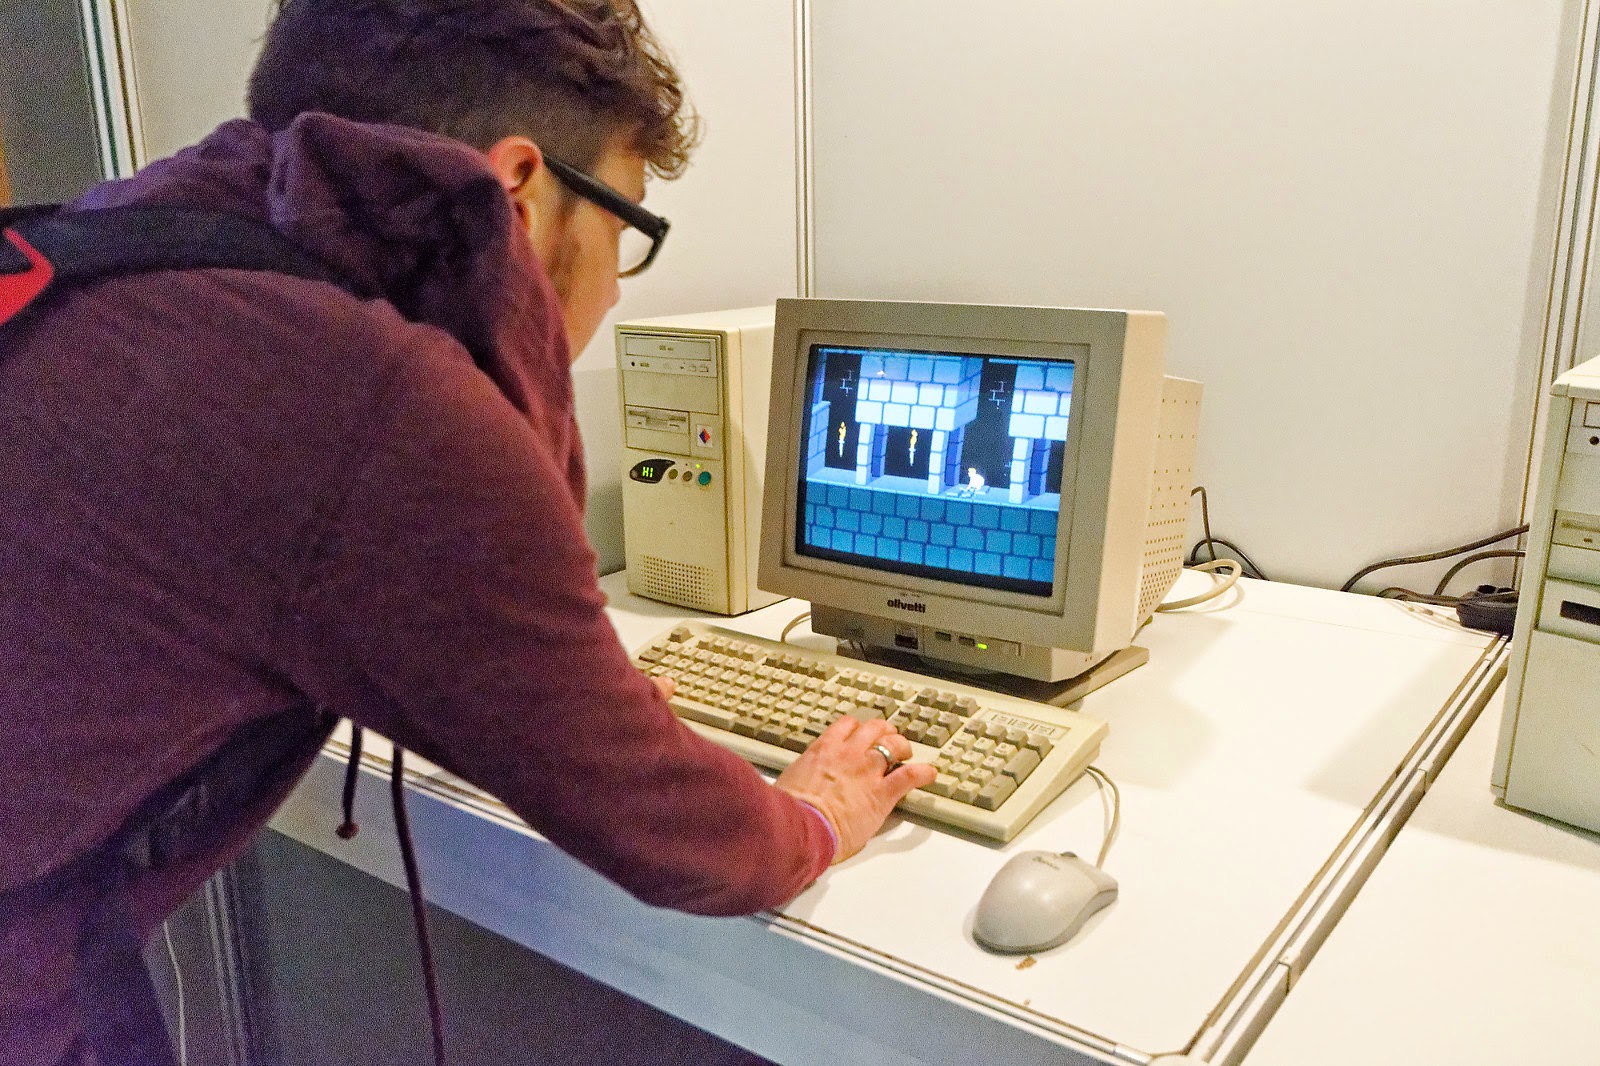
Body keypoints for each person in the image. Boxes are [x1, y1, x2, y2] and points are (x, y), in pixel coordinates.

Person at [0, 2, 935, 1063]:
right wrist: (816, 816)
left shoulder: (123, 247)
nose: (612, 292)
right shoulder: (374, 397)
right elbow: (669, 834)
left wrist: (569, 707)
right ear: (521, 193)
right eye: (624, 231)